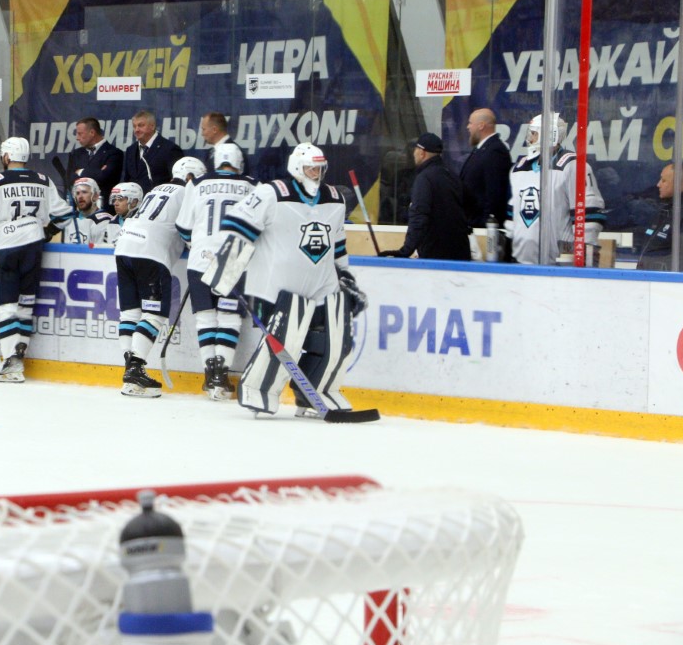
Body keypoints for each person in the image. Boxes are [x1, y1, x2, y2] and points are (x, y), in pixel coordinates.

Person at [203, 142, 368, 419]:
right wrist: (225, 272)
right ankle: (261, 389)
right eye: (309, 168)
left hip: (322, 285)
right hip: (276, 288)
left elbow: (337, 244)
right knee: (287, 336)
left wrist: (346, 278)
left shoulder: (335, 199)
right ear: (296, 167)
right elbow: (238, 229)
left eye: (319, 168)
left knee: (336, 336)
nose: (315, 173)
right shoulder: (271, 194)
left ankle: (319, 391)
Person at [0, 137, 72, 383]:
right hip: (33, 246)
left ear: (6, 157)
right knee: (25, 305)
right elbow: (65, 214)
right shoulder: (43, 180)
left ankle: (10, 364)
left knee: (6, 307)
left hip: (5, 248)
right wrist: (47, 231)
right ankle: (18, 360)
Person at [114, 156, 206, 397]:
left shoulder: (157, 189)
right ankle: (135, 369)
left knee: (130, 312)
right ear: (190, 177)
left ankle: (130, 368)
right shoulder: (188, 192)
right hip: (150, 252)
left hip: (124, 245)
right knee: (154, 313)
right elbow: (188, 229)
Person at [175, 143, 257, 400]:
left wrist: (199, 244)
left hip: (200, 256)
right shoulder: (252, 185)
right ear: (239, 161)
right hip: (233, 254)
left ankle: (210, 377)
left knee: (206, 317)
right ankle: (221, 376)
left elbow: (183, 227)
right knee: (229, 317)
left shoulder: (197, 183)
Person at [506, 113, 606, 265]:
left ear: (550, 135)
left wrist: (583, 257)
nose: (529, 139)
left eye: (534, 133)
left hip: (560, 265)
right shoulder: (519, 168)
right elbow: (512, 215)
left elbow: (588, 216)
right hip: (522, 263)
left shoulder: (573, 166)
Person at [380, 133, 471, 261]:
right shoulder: (452, 176)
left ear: (422, 153)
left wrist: (406, 250)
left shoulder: (424, 179)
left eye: (415, 150)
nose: (413, 154)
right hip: (461, 252)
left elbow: (419, 217)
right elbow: (469, 207)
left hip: (436, 256)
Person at [459, 108, 512, 228]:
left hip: (482, 228)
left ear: (481, 125)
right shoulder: (481, 150)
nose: (468, 127)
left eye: (470, 123)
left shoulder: (495, 151)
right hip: (471, 224)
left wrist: (487, 225)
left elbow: (494, 193)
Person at [637, 162, 683, 272]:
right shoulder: (666, 208)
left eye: (664, 180)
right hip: (648, 280)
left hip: (666, 284)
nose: (658, 184)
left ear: (678, 183)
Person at [65, 117, 122, 209]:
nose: (77, 138)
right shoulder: (76, 154)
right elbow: (69, 179)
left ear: (92, 133)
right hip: (80, 209)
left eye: (80, 134)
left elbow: (105, 177)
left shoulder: (114, 153)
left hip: (104, 208)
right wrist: (97, 172)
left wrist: (80, 172)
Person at [122, 109, 184, 194]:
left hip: (158, 202)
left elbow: (178, 182)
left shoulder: (169, 149)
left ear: (152, 126)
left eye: (141, 125)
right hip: (133, 204)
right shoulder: (131, 150)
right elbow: (127, 180)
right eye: (134, 126)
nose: (136, 130)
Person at [62, 177, 115, 246]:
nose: (80, 196)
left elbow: (99, 253)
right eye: (77, 193)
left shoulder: (105, 221)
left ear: (95, 196)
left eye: (84, 192)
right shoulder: (69, 219)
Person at [199, 111, 248, 176]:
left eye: (204, 129)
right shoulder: (210, 153)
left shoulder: (235, 151)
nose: (202, 134)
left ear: (214, 129)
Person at [100, 181, 142, 247]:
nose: (115, 204)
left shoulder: (142, 223)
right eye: (114, 200)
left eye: (120, 199)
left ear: (134, 202)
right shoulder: (112, 222)